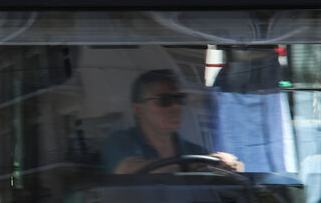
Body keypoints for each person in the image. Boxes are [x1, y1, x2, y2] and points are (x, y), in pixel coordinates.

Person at [100, 69, 243, 174]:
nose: (176, 106)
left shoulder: (195, 151)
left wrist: (231, 166)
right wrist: (194, 165)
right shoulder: (119, 142)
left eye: (179, 99)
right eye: (164, 100)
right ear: (138, 109)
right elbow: (128, 170)